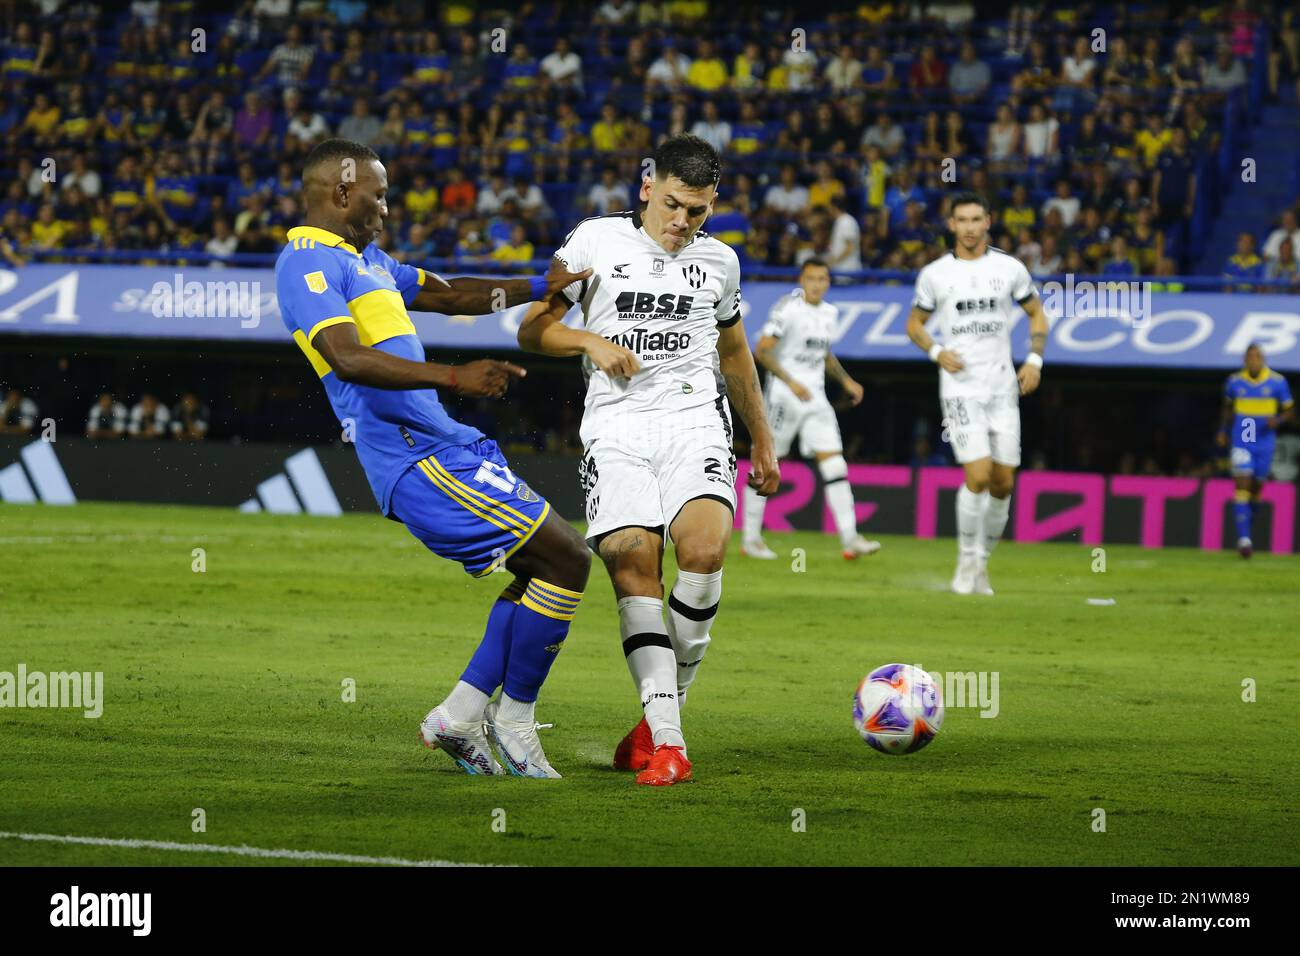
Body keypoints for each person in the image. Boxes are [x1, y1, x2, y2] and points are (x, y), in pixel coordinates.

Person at [276, 138, 593, 777]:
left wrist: (541, 284)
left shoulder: (366, 260)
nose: (386, 209)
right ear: (341, 193)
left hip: (443, 443)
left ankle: (459, 716)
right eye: (378, 194)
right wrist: (454, 378)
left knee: (544, 571)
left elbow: (453, 297)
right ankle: (513, 720)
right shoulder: (305, 264)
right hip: (412, 454)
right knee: (568, 558)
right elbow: (347, 357)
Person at [518, 134, 780, 786]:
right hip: (616, 431)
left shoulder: (721, 262)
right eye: (671, 205)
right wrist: (585, 340)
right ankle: (668, 739)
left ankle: (665, 723)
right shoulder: (593, 242)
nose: (681, 222)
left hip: (696, 425)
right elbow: (532, 327)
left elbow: (735, 353)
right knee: (635, 561)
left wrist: (765, 440)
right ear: (646, 188)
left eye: (697, 210)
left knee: (703, 553)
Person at [905, 191, 1050, 595]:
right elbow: (914, 323)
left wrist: (1035, 360)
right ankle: (966, 562)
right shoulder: (936, 274)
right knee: (979, 474)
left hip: (1002, 385)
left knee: (1004, 482)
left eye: (976, 219)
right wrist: (936, 351)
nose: (969, 227)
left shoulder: (1010, 269)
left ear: (988, 221)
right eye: (962, 220)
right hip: (961, 388)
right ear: (951, 225)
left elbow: (1037, 312)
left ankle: (982, 566)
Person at [742, 258, 880, 560]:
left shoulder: (830, 313)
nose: (817, 284)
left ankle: (850, 538)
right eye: (812, 278)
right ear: (802, 281)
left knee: (835, 465)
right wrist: (791, 382)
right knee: (766, 464)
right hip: (783, 396)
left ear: (828, 282)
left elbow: (825, 354)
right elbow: (762, 350)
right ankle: (751, 538)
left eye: (822, 279)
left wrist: (846, 382)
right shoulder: (787, 308)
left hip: (815, 397)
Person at [1217, 344, 1294, 557]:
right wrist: (1223, 430)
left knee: (1257, 487)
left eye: (1257, 356)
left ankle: (1246, 528)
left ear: (1263, 359)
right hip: (1243, 437)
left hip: (1264, 441)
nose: (1253, 360)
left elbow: (1290, 411)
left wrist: (1277, 420)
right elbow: (1228, 408)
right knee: (1242, 483)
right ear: (1244, 359)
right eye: (1249, 356)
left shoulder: (1277, 382)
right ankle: (1244, 540)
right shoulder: (1234, 382)